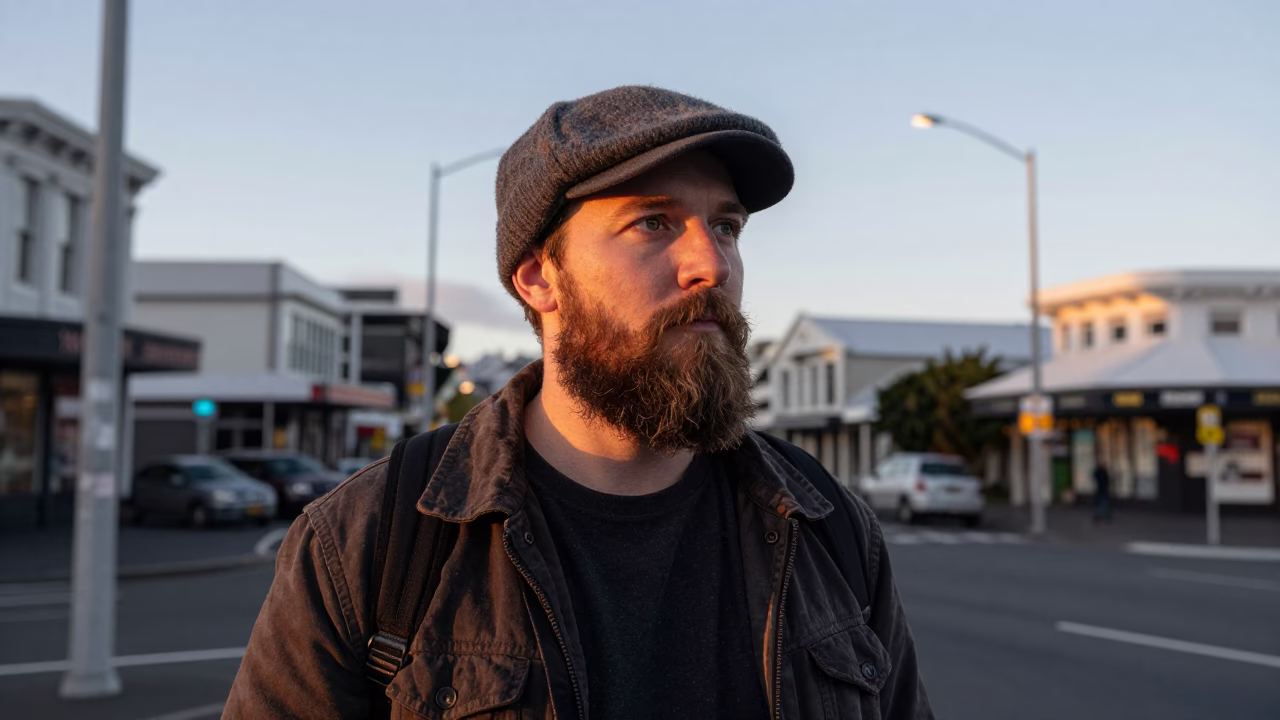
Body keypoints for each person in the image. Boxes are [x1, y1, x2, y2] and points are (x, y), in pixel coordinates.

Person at [225, 85, 933, 720]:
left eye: (726, 225)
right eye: (653, 223)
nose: (712, 264)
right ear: (539, 279)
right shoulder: (370, 542)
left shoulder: (831, 530)